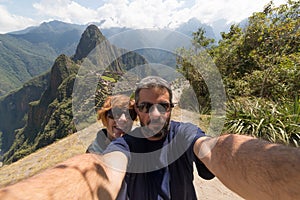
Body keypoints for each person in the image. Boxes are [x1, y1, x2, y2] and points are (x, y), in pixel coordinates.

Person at [0, 76, 299, 200]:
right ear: (137, 111)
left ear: (171, 109)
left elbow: (214, 149)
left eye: (163, 106)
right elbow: (104, 167)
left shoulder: (184, 134)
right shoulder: (124, 145)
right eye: (145, 106)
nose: (154, 113)